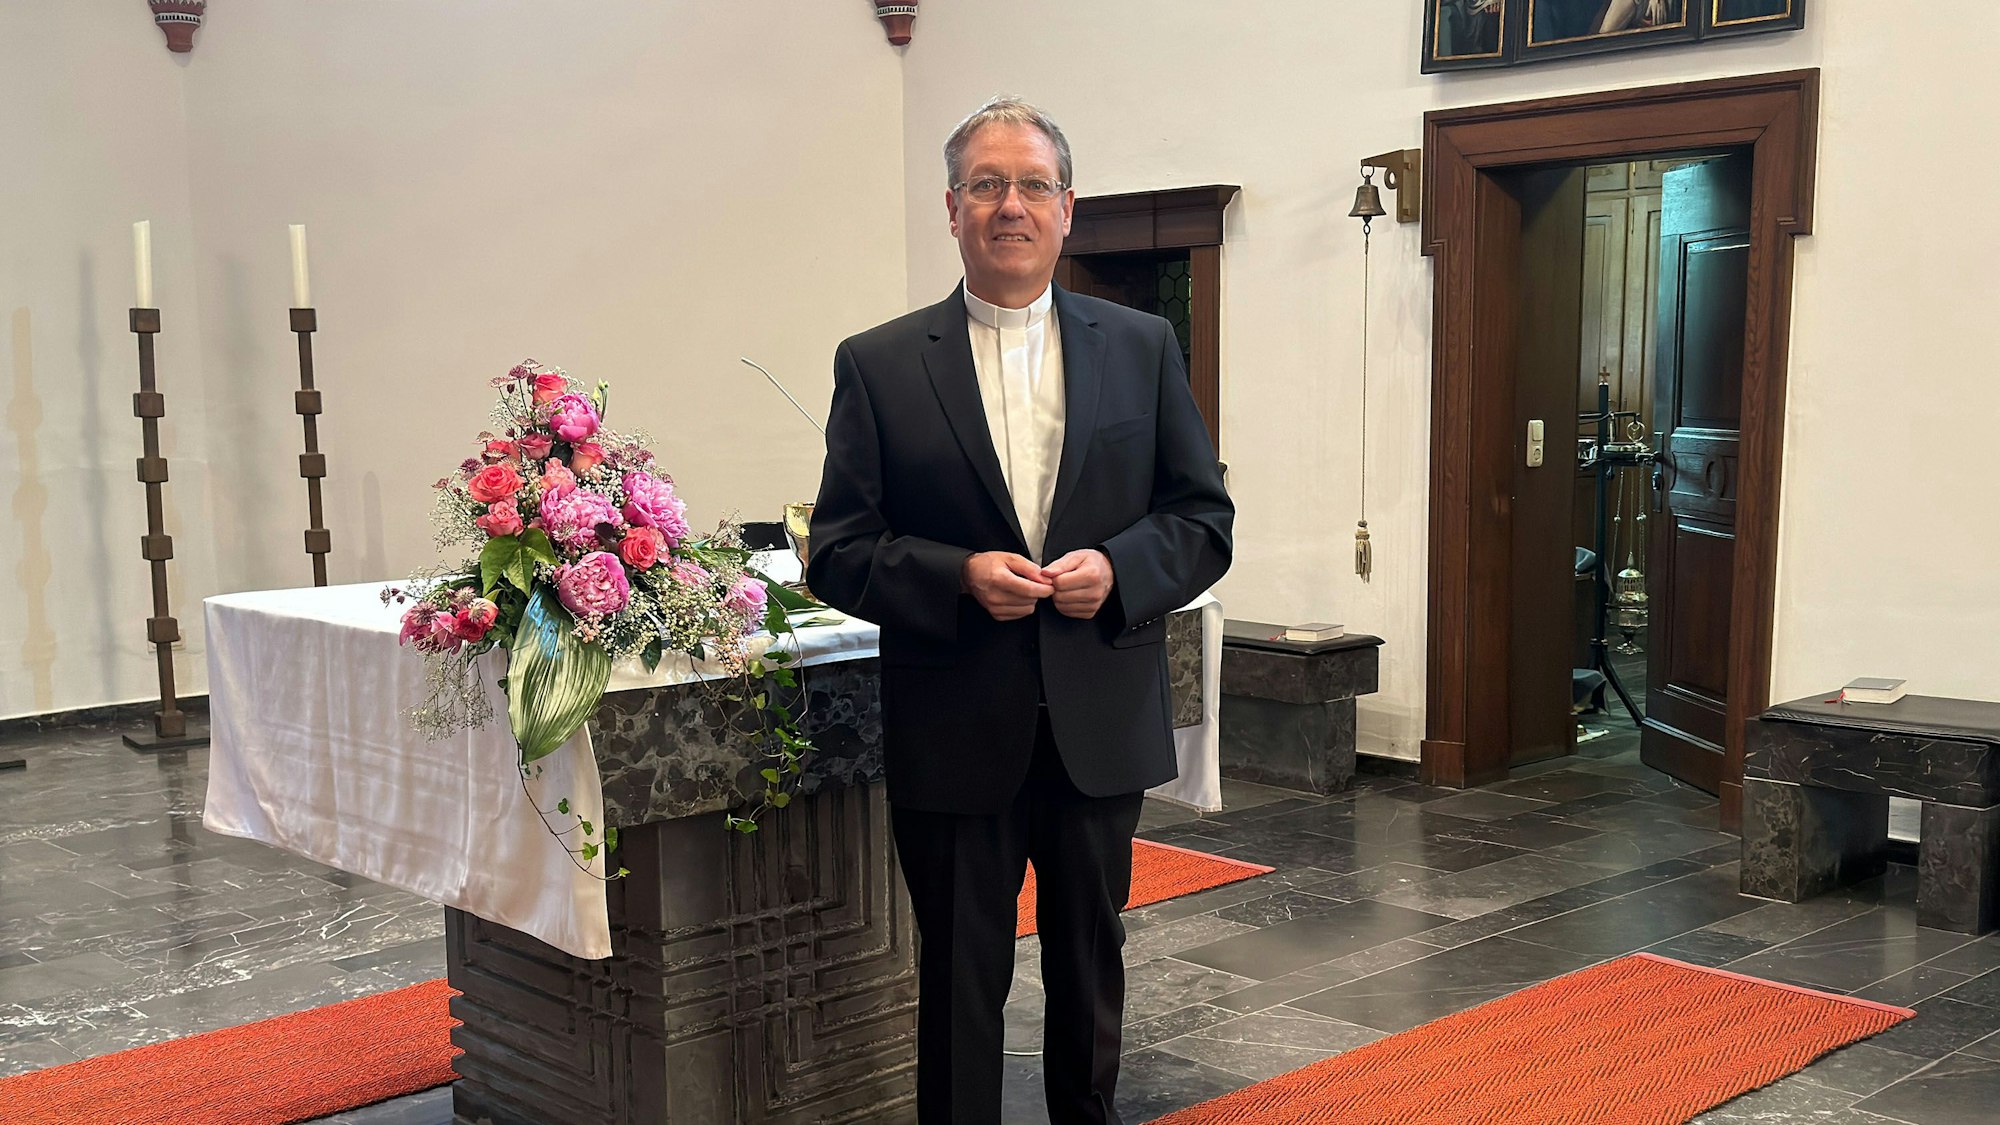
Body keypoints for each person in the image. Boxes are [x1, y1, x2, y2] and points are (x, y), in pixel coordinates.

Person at [806, 97, 1233, 1125]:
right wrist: (955, 574)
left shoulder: (1140, 347)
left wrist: (1121, 569)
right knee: (958, 973)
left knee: (1090, 960)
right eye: (987, 186)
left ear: (1067, 209)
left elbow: (1200, 518)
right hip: (953, 716)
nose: (1010, 205)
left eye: (1032, 184)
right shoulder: (877, 362)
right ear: (950, 209)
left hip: (1095, 710)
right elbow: (836, 550)